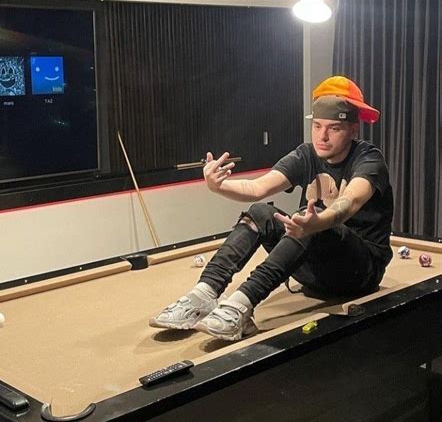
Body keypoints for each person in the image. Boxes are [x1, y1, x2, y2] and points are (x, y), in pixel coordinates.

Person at [150, 76, 394, 341]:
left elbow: (352, 201)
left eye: (334, 128)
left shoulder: (369, 158)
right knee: (260, 212)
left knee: (304, 220)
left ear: (353, 130)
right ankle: (204, 295)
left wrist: (319, 222)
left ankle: (239, 306)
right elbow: (257, 188)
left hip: (358, 274)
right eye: (317, 126)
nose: (322, 136)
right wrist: (219, 186)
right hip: (314, 270)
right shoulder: (306, 154)